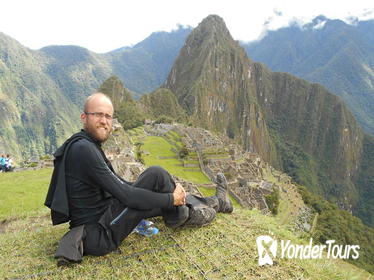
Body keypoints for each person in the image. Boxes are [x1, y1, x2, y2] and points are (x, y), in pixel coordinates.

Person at [45, 92, 233, 265]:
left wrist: (167, 198)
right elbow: (126, 195)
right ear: (84, 117)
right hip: (102, 233)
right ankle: (187, 215)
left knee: (154, 188)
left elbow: (121, 185)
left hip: (107, 216)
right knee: (157, 175)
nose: (104, 121)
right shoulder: (83, 149)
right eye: (98, 114)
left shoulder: (88, 145)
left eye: (108, 116)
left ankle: (216, 201)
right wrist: (170, 198)